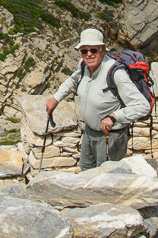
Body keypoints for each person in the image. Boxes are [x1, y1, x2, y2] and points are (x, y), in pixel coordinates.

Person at [45, 28, 150, 170]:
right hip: (89, 131)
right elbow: (73, 81)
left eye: (93, 50)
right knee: (85, 168)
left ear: (102, 50)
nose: (89, 54)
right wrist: (56, 98)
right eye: (84, 51)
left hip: (111, 137)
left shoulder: (116, 73)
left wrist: (113, 117)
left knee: (107, 176)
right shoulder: (84, 66)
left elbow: (142, 106)